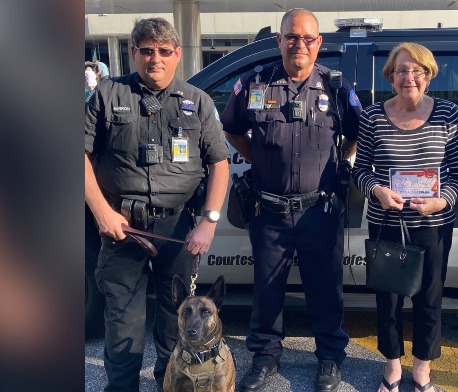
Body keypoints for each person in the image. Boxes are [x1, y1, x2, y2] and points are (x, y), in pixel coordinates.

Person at [84, 17, 230, 392]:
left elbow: (219, 163)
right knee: (123, 322)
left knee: (174, 318)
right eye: (147, 50)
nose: (155, 59)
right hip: (122, 227)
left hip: (178, 227)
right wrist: (102, 212)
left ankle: (171, 382)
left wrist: (209, 222)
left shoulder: (197, 102)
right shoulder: (107, 94)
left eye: (164, 51)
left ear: (177, 55)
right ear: (133, 52)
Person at [220, 8, 361, 392]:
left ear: (319, 44)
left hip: (321, 208)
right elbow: (231, 130)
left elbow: (352, 135)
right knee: (267, 289)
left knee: (326, 287)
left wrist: (340, 165)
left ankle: (330, 359)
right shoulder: (254, 83)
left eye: (308, 38)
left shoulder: (336, 87)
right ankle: (265, 358)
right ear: (279, 41)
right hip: (269, 208)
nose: (300, 44)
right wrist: (259, 158)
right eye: (292, 37)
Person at [353, 42, 458, 392]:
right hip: (387, 222)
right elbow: (360, 170)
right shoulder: (373, 116)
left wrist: (441, 201)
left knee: (429, 298)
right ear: (391, 76)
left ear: (429, 76)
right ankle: (391, 367)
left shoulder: (448, 113)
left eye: (418, 71)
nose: (410, 77)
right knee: (388, 298)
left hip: (432, 225)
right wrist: (377, 190)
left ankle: (421, 370)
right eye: (402, 70)